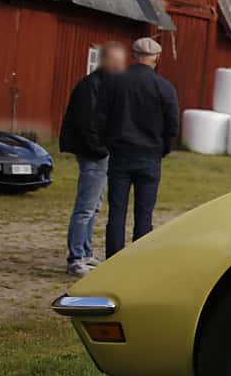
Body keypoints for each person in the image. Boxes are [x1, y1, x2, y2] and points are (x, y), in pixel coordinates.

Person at [98, 35, 179, 256]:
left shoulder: (114, 82)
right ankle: (138, 260)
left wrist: (108, 143)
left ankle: (113, 257)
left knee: (117, 211)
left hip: (120, 153)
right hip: (150, 155)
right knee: (144, 214)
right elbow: (172, 123)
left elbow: (101, 116)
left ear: (134, 56)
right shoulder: (164, 87)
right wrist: (164, 148)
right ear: (157, 58)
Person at [57, 40, 128, 276]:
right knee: (85, 207)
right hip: (93, 154)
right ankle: (76, 257)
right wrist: (100, 149)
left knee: (95, 206)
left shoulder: (106, 85)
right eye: (116, 61)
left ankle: (86, 252)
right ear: (106, 60)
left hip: (103, 153)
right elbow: (86, 123)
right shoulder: (91, 86)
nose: (120, 66)